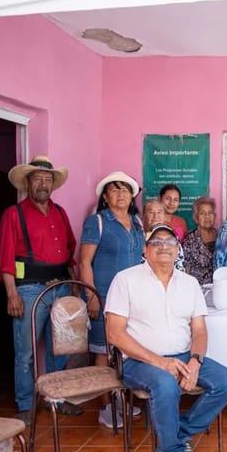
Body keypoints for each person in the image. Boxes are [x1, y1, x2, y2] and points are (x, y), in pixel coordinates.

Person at [105, 224, 227, 452]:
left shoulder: (189, 284)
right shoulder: (125, 279)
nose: (163, 246)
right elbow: (114, 334)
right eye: (156, 242)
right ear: (145, 249)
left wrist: (195, 363)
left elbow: (199, 331)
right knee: (165, 383)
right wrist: (160, 362)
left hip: (182, 355)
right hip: (138, 361)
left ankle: (179, 435)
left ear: (178, 250)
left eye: (169, 241)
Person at [0, 156, 79, 426]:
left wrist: (75, 289)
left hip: (61, 285)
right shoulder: (14, 214)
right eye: (37, 179)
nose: (43, 184)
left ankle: (57, 398)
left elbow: (70, 253)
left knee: (62, 348)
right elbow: (6, 258)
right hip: (29, 290)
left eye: (48, 179)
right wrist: (12, 294)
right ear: (28, 183)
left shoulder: (60, 212)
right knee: (25, 353)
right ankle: (25, 403)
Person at [79, 172, 145, 428]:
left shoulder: (137, 222)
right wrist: (91, 296)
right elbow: (84, 261)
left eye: (125, 190)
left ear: (132, 196)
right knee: (103, 352)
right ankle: (105, 406)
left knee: (126, 351)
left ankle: (121, 400)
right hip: (105, 297)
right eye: (114, 190)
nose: (120, 194)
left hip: (133, 300)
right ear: (105, 197)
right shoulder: (97, 222)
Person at [182, 196, 217, 285]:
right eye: (202, 213)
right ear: (195, 218)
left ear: (215, 216)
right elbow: (186, 269)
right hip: (198, 289)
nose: (207, 217)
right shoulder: (190, 240)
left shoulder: (222, 236)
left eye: (210, 213)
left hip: (220, 288)